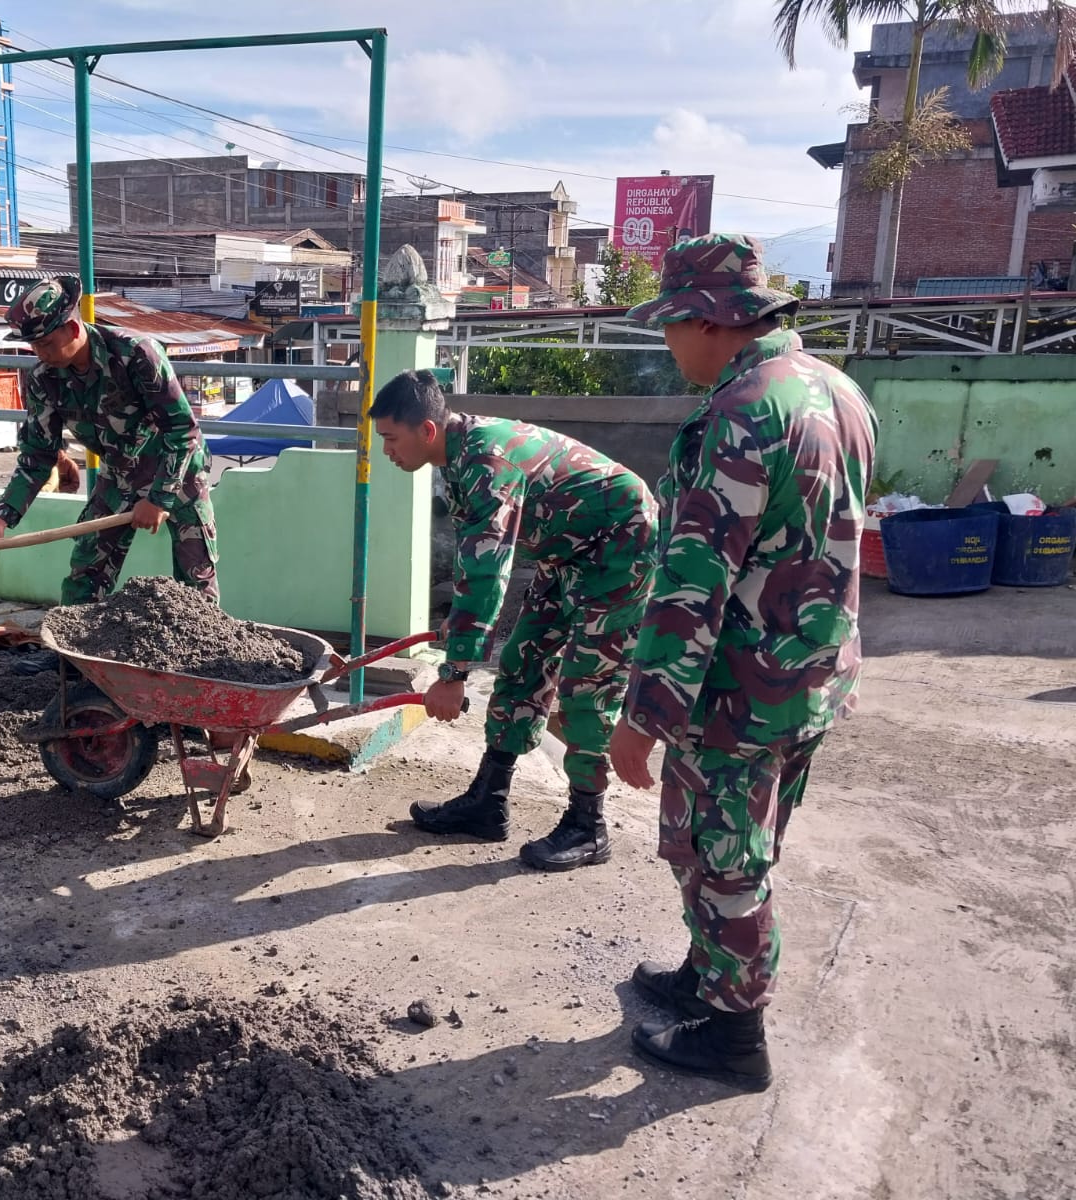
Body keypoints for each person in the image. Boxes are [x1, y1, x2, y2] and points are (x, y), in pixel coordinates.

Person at [609, 233, 876, 1090]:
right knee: (734, 845)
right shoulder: (838, 391)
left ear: (708, 318)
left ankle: (735, 1038)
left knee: (727, 861)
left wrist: (641, 719)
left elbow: (691, 590)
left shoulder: (738, 416)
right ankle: (707, 975)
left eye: (670, 326)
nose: (667, 343)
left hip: (739, 694)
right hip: (814, 678)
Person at [371, 370, 658, 870]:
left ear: (427, 431)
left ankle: (588, 826)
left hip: (620, 548)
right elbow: (473, 564)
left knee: (587, 686)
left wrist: (454, 674)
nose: (387, 451)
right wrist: (459, 628)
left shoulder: (486, 460)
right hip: (567, 553)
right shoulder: (458, 459)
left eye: (391, 439)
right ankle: (490, 802)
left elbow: (489, 575)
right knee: (523, 661)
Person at [0, 276, 217, 671]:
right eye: (33, 345)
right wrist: (2, 517)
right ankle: (75, 663)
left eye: (47, 343)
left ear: (71, 327)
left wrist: (160, 498)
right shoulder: (43, 380)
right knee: (86, 570)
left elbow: (182, 431)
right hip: (118, 474)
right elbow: (37, 455)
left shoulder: (136, 355)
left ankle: (201, 668)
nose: (40, 353)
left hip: (177, 473)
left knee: (196, 576)